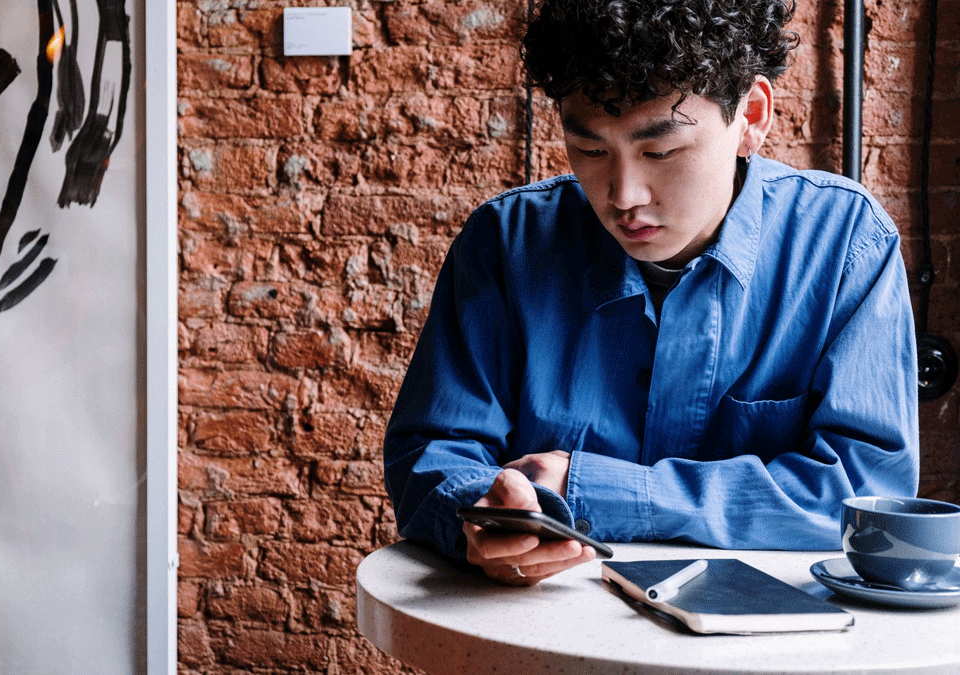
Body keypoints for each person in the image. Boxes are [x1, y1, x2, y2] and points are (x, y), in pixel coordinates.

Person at [382, 0, 919, 586]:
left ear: (752, 115)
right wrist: (481, 515)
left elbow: (864, 494)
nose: (623, 195)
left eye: (660, 152)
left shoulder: (845, 243)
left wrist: (596, 491)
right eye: (590, 150)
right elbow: (430, 456)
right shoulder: (507, 244)